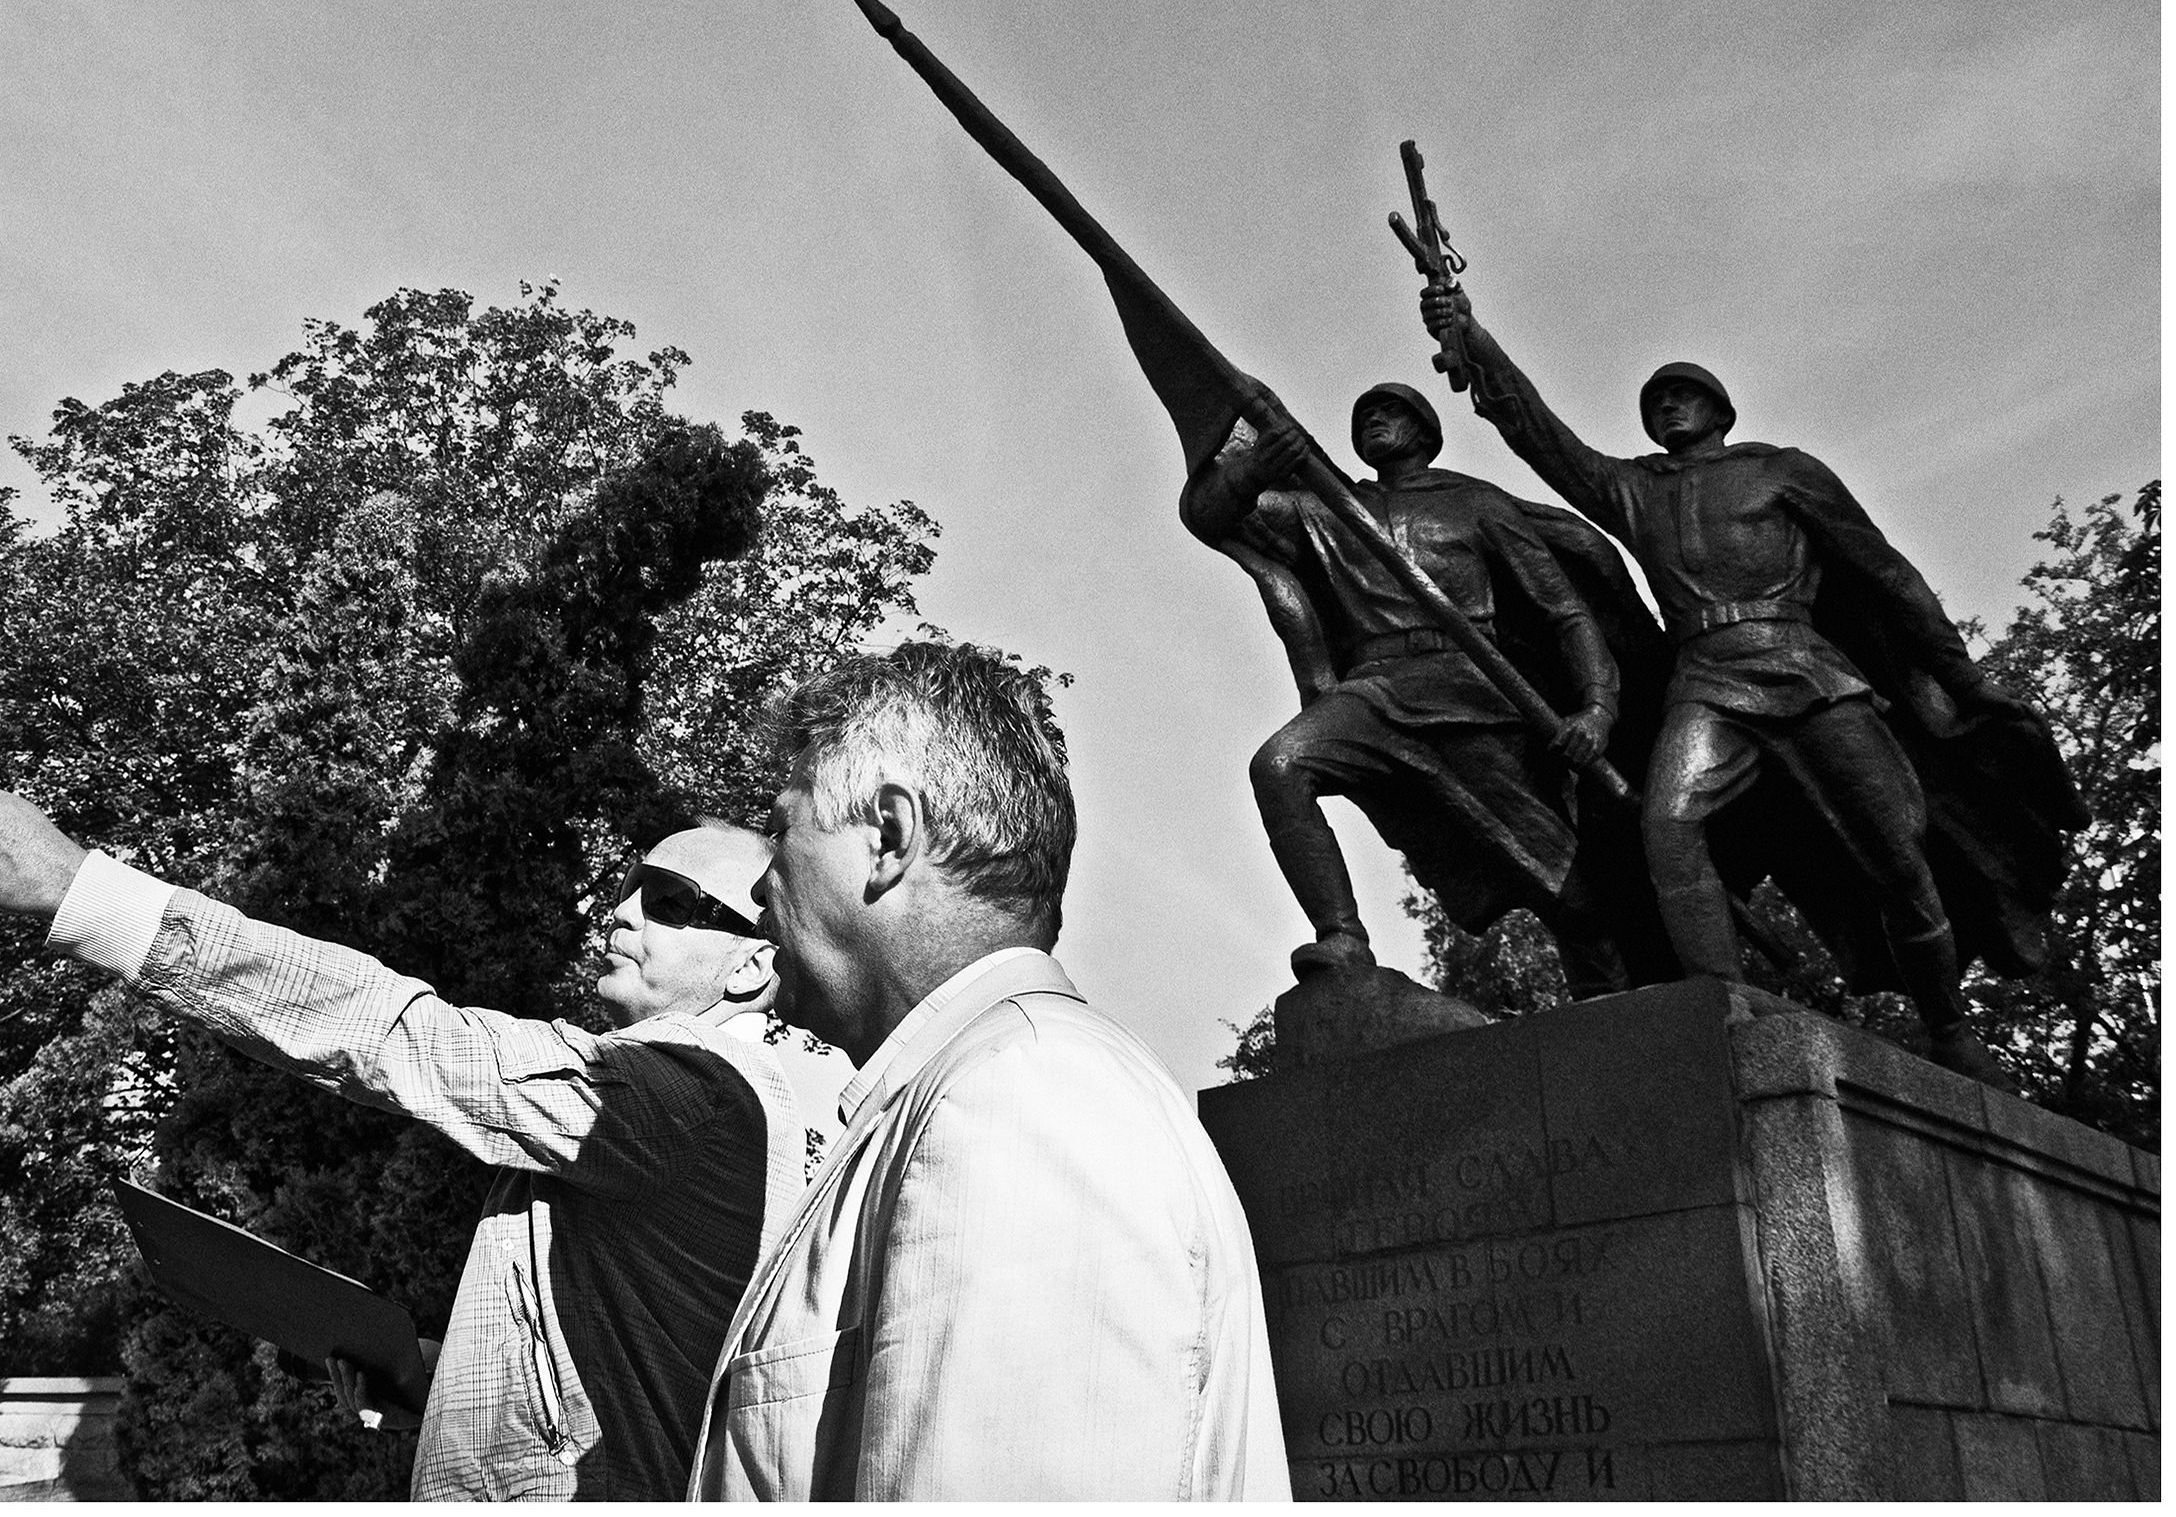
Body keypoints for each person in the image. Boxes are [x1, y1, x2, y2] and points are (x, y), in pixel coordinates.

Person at [0, 745, 803, 1500]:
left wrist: (84, 890)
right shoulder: (716, 1111)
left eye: (674, 903)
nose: (625, 907)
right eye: (635, 883)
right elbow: (638, 1376)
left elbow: (395, 1031)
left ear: (753, 969)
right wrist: (431, 1374)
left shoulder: (692, 1095)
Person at [1418, 284, 2083, 1085]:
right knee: (1668, 820)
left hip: (1809, 673)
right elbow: (1546, 441)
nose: (1669, 409)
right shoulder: (1640, 488)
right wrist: (1475, 341)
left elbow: (1889, 576)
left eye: (1684, 395)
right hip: (1708, 683)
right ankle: (1722, 1002)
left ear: (1719, 408)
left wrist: (1963, 680)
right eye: (1657, 400)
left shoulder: (1783, 473)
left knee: (1898, 856)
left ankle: (1949, 1026)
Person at [686, 641, 1288, 1501]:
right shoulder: (980, 1088)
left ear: (888, 835)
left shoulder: (1021, 1097)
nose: (758, 887)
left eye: (781, 830)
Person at [1180, 380, 1673, 1003]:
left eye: (1390, 412)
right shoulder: (1332, 507)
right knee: (1279, 766)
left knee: (1561, 884)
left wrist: (1597, 710)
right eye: (1365, 416)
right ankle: (1342, 938)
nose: (1375, 422)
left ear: (1425, 431)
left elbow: (1564, 613)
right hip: (1375, 693)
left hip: (1475, 694)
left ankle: (1609, 992)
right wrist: (1252, 471)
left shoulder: (1475, 504)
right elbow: (1208, 516)